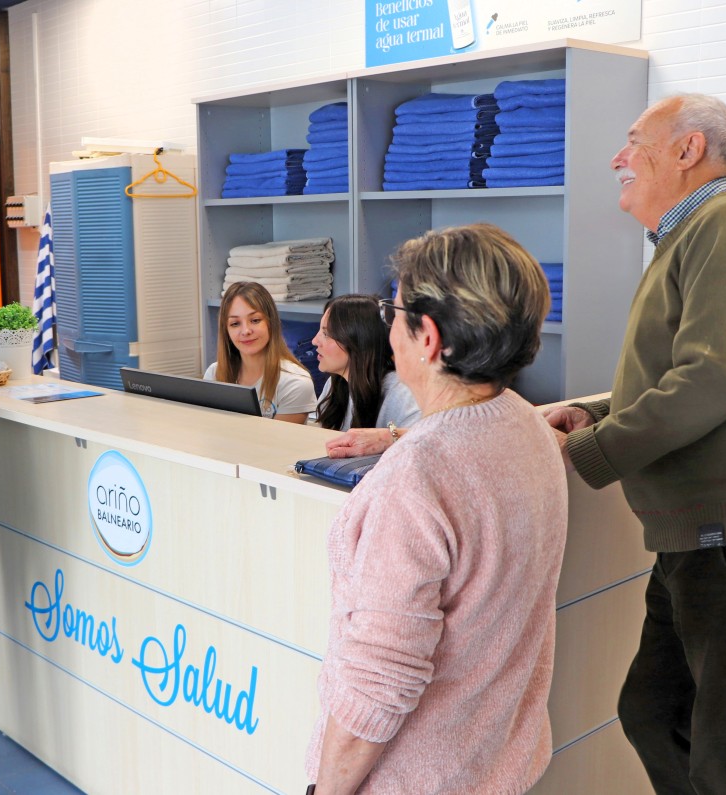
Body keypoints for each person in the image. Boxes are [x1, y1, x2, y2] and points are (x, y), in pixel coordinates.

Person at [543, 94, 726, 794]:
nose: (617, 157)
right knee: (652, 710)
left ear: (687, 150)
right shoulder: (692, 236)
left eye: (634, 140)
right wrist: (594, 413)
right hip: (698, 536)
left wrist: (595, 452)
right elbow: (686, 372)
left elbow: (708, 381)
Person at [306, 223, 568, 793]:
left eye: (392, 313)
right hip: (500, 763)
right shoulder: (530, 428)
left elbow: (379, 681)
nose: (388, 328)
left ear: (427, 337)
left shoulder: (416, 480)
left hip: (418, 776)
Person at [204, 281, 317, 423]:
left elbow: (277, 443)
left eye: (255, 320)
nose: (246, 331)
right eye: (235, 324)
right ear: (226, 331)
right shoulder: (214, 373)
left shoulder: (295, 383)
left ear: (271, 322)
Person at [312, 293, 420, 433]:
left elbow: (422, 442)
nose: (314, 341)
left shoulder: (402, 393)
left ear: (357, 341)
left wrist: (390, 436)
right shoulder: (335, 385)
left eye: (326, 334)